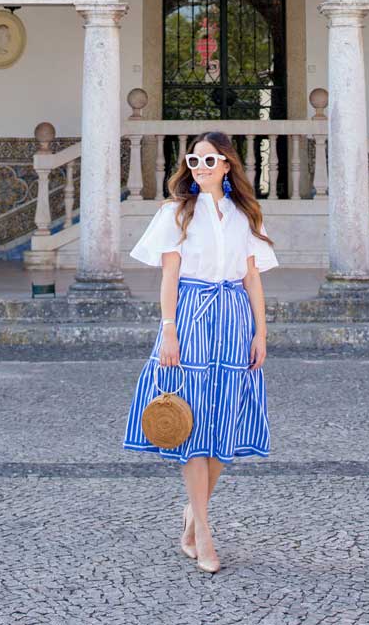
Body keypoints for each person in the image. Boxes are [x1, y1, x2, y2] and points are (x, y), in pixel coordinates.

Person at [122, 129, 278, 573]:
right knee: (192, 421)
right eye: (194, 161)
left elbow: (253, 277)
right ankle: (205, 533)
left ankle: (193, 517)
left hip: (233, 316)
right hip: (190, 314)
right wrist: (168, 329)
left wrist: (261, 332)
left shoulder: (246, 213)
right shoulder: (176, 213)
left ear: (227, 165)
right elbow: (169, 276)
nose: (201, 168)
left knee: (223, 422)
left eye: (210, 161)